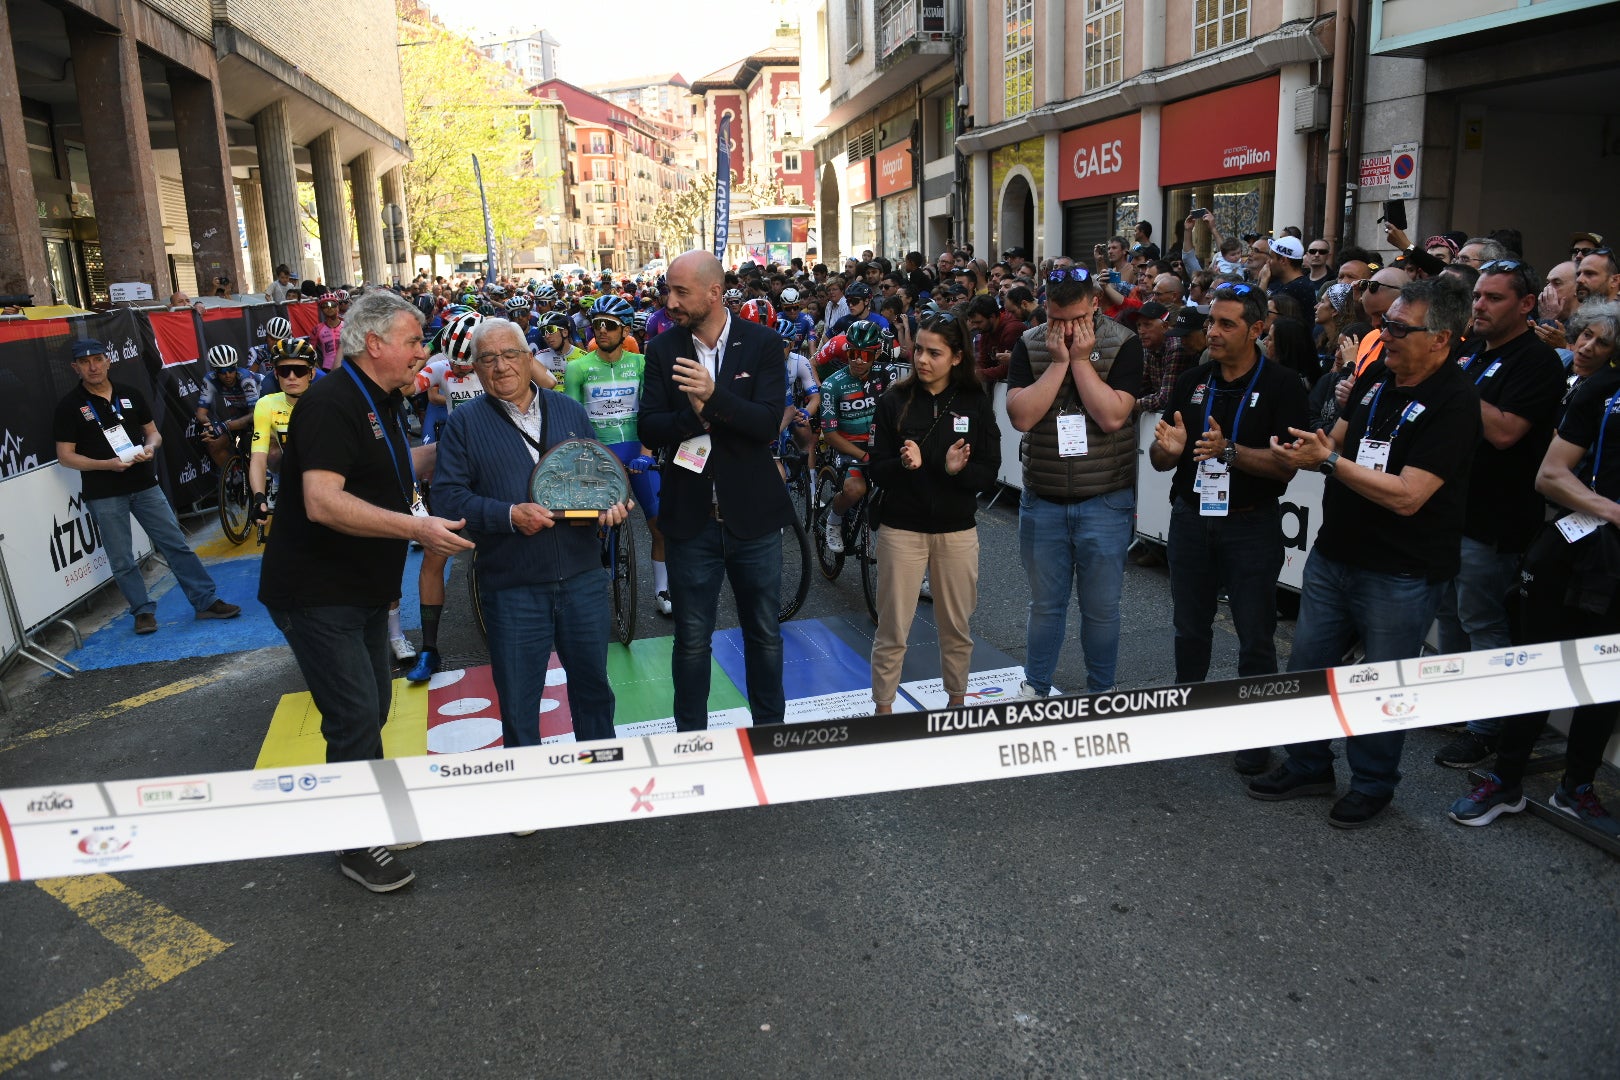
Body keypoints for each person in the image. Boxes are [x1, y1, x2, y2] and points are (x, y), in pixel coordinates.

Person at [258, 290, 473, 892]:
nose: (423, 352)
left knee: (372, 708)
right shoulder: (332, 401)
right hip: (316, 593)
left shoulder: (374, 396)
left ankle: (367, 815)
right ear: (374, 344)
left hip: (359, 592)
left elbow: (399, 470)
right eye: (413, 340)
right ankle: (355, 842)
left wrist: (461, 448)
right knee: (353, 714)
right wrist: (418, 526)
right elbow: (322, 501)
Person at [1253, 277, 1480, 828]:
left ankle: (1375, 784)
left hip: (1401, 572)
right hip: (1336, 554)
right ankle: (1308, 763)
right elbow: (1336, 439)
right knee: (1308, 665)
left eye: (1401, 328)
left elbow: (1409, 496)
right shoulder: (1379, 374)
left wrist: (1329, 463)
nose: (1387, 334)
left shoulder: (1455, 402)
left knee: (1383, 686)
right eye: (1386, 324)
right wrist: (1308, 449)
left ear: (1442, 339)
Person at [1450, 298, 1620, 836]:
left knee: (1604, 676)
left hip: (1613, 568)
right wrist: (1614, 511)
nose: (1590, 347)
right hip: (1568, 550)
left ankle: (1577, 788)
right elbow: (1551, 475)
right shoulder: (1600, 390)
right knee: (1538, 666)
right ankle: (1504, 782)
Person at [432, 318, 630, 747]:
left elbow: (597, 477)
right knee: (520, 702)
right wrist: (507, 515)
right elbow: (447, 501)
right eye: (488, 358)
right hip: (513, 586)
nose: (500, 366)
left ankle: (600, 772)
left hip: (582, 577)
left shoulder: (570, 411)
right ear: (477, 368)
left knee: (594, 688)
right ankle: (530, 786)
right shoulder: (465, 424)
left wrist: (613, 505)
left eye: (509, 355)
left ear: (528, 358)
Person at [1149, 283, 1309, 773]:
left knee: (1255, 634)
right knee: (1190, 627)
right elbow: (1160, 458)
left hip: (1251, 525)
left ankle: (1254, 732)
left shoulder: (1283, 385)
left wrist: (1229, 452)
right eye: (1210, 322)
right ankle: (1190, 713)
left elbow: (1287, 468)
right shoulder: (1194, 380)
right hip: (1191, 518)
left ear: (1257, 329)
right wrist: (1168, 451)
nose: (1212, 332)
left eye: (1226, 323)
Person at [638, 250, 795, 731]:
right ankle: (691, 737)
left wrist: (713, 396)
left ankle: (770, 730)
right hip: (690, 520)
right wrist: (697, 416)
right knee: (690, 638)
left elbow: (767, 423)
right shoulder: (662, 350)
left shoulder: (763, 344)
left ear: (714, 292)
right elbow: (650, 425)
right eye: (668, 290)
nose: (671, 300)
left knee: (764, 633)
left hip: (753, 518)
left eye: (681, 291)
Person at [1431, 260, 1566, 770]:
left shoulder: (1536, 361)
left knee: (1483, 619)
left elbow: (1507, 432)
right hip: (1453, 513)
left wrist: (1451, 379)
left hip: (1497, 519)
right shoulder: (1471, 355)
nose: (1479, 306)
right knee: (1449, 613)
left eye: (1493, 298)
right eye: (1478, 296)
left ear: (1526, 304)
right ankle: (1459, 706)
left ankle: (1487, 728)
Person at [1006, 268, 1144, 697]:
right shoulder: (1030, 343)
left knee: (1101, 610)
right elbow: (1022, 416)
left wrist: (1082, 362)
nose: (1065, 329)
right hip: (1042, 497)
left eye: (1075, 319)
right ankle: (1036, 685)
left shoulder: (1124, 342)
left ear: (1095, 306)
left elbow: (1113, 416)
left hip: (1105, 498)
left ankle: (1101, 691)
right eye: (1056, 319)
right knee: (1045, 606)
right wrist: (1059, 363)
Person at [52, 339, 241, 635]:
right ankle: (142, 612)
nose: (93, 366)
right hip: (104, 492)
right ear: (75, 367)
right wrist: (108, 465)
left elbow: (153, 434)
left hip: (144, 485)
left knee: (175, 544)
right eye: (85, 362)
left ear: (108, 361)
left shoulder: (130, 394)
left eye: (98, 359)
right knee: (122, 558)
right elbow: (65, 456)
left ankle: (206, 602)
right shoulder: (69, 406)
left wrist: (150, 448)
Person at [866, 311, 1000, 714]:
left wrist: (952, 470)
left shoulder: (975, 401)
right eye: (919, 349)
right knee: (892, 629)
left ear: (957, 357)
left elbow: (989, 472)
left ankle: (956, 703)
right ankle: (883, 709)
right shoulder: (894, 400)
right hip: (901, 528)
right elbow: (876, 467)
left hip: (957, 530)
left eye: (934, 353)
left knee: (957, 628)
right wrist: (906, 465)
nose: (922, 359)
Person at [565, 294, 670, 616]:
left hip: (637, 450)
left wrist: (647, 452)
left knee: (660, 524)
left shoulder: (641, 364)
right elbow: (573, 422)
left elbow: (652, 411)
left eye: (609, 326)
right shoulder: (578, 368)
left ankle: (663, 590)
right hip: (599, 454)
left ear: (626, 330)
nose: (602, 331)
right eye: (597, 326)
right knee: (589, 526)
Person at [818, 320, 895, 554]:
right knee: (855, 489)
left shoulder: (885, 374)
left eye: (865, 355)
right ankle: (833, 519)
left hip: (879, 443)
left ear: (877, 353)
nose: (858, 360)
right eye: (852, 353)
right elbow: (830, 434)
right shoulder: (832, 385)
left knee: (903, 498)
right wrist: (862, 454)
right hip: (848, 445)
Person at [249, 338, 319, 526]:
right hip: (290, 473)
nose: (291, 377)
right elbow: (258, 456)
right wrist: (258, 497)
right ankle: (277, 484)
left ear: (311, 373)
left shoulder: (327, 400)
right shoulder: (266, 404)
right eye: (284, 370)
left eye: (300, 370)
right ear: (276, 374)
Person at [195, 344, 261, 470]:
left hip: (262, 409)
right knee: (214, 446)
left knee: (257, 446)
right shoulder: (210, 380)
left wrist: (224, 426)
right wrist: (210, 426)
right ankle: (236, 476)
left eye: (231, 369)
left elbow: (254, 416)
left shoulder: (245, 378)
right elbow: (201, 413)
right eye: (222, 371)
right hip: (243, 411)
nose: (228, 375)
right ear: (215, 370)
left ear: (236, 366)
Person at [965, 293, 1025, 389]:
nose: (975, 326)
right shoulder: (986, 329)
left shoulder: (1012, 329)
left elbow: (1008, 368)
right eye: (973, 322)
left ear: (992, 317)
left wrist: (977, 374)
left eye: (979, 322)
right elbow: (983, 361)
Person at [313, 293, 344, 371]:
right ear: (321, 309)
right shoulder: (317, 328)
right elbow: (310, 350)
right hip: (327, 368)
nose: (329, 308)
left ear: (338, 307)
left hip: (346, 366)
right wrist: (316, 367)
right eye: (325, 305)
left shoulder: (347, 325)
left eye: (332, 304)